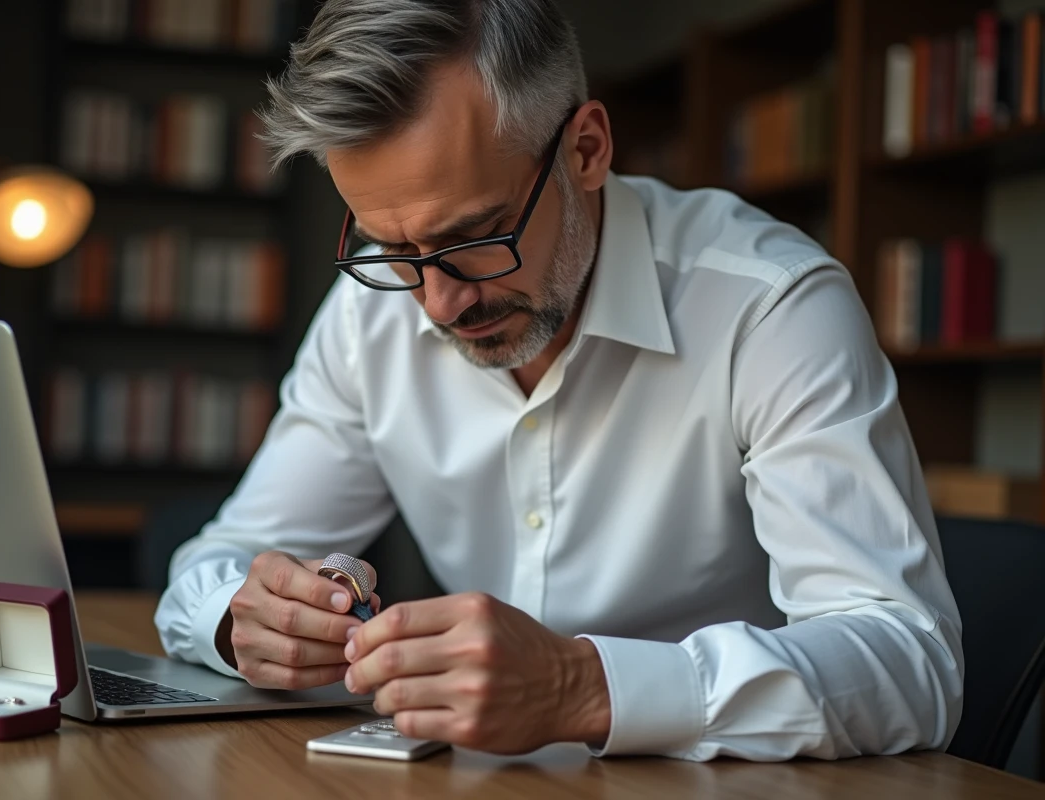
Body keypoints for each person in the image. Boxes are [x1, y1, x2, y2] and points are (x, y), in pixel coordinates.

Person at [155, 0, 962, 760]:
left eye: (473, 235)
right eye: (392, 249)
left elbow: (909, 663)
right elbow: (214, 565)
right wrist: (244, 620)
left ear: (586, 149)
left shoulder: (771, 307)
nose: (436, 302)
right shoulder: (372, 314)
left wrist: (581, 686)